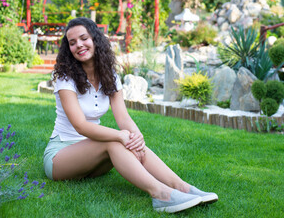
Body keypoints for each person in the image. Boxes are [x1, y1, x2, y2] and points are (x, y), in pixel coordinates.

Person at [43, 17, 218, 213]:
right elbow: (81, 126)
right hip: (61, 157)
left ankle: (182, 187)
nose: (79, 45)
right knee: (115, 141)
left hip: (94, 161)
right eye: (72, 43)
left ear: (95, 39)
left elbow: (123, 118)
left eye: (84, 38)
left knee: (130, 141)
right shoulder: (65, 78)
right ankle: (161, 195)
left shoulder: (109, 75)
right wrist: (120, 135)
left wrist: (137, 137)